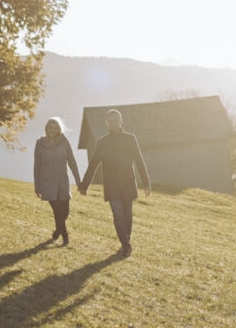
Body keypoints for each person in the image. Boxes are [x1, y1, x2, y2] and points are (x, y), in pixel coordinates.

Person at [79, 108, 151, 257]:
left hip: (128, 183)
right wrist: (84, 185)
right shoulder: (102, 143)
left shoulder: (130, 139)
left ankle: (126, 239)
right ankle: (126, 246)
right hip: (111, 186)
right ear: (107, 123)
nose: (114, 123)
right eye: (111, 121)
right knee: (118, 215)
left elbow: (139, 160)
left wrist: (146, 183)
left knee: (127, 216)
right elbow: (93, 164)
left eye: (116, 120)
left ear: (121, 121)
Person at [34, 117, 82, 246]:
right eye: (50, 127)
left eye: (55, 128)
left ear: (59, 129)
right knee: (57, 211)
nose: (53, 130)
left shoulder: (64, 142)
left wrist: (78, 181)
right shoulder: (40, 143)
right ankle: (65, 237)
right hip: (47, 183)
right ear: (46, 129)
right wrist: (37, 187)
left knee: (65, 211)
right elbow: (36, 166)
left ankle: (57, 231)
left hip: (62, 182)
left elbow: (72, 162)